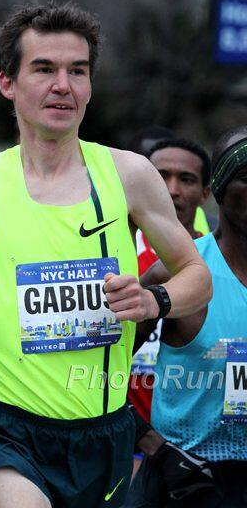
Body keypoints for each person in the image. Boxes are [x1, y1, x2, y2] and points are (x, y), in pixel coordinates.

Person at [0, 3, 211, 508]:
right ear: (7, 82)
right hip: (8, 429)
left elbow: (196, 275)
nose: (63, 86)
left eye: (77, 71)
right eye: (44, 69)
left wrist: (154, 300)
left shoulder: (129, 175)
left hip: (103, 432)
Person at [126, 126, 247, 506]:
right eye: (246, 176)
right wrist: (155, 448)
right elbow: (96, 373)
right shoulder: (177, 273)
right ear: (220, 187)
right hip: (186, 479)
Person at [131, 138, 212, 423]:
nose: (172, 189)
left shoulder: (220, 264)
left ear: (205, 193)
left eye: (186, 179)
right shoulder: (115, 254)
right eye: (161, 176)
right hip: (124, 433)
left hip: (196, 433)